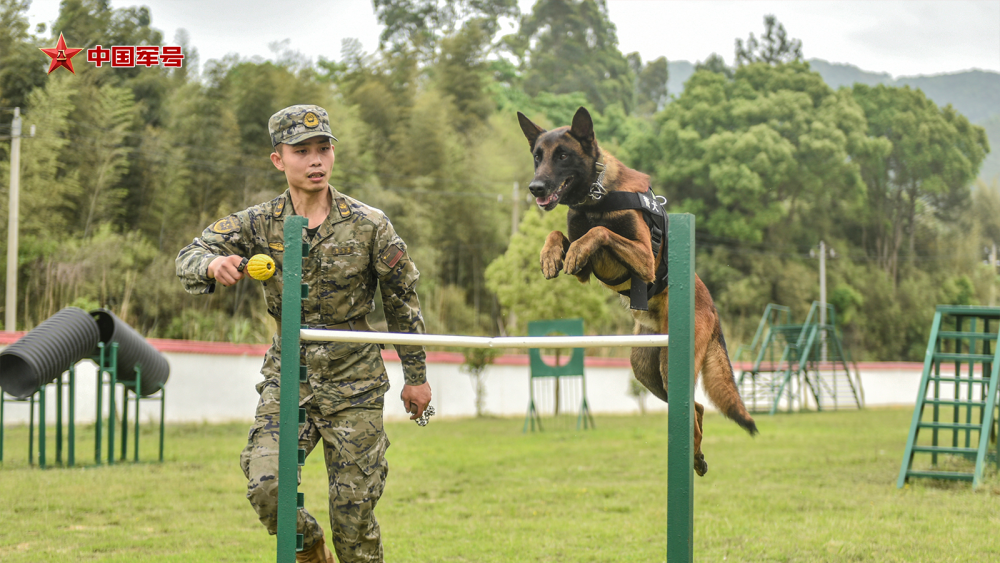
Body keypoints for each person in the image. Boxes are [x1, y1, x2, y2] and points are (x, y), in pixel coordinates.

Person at [175, 104, 432, 563]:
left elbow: (401, 302)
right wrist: (213, 264)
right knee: (267, 484)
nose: (316, 161)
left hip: (355, 385)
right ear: (279, 159)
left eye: (324, 149)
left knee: (354, 527)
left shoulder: (371, 224)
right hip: (289, 378)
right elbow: (190, 253)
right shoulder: (258, 222)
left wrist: (416, 376)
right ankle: (310, 548)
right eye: (302, 151)